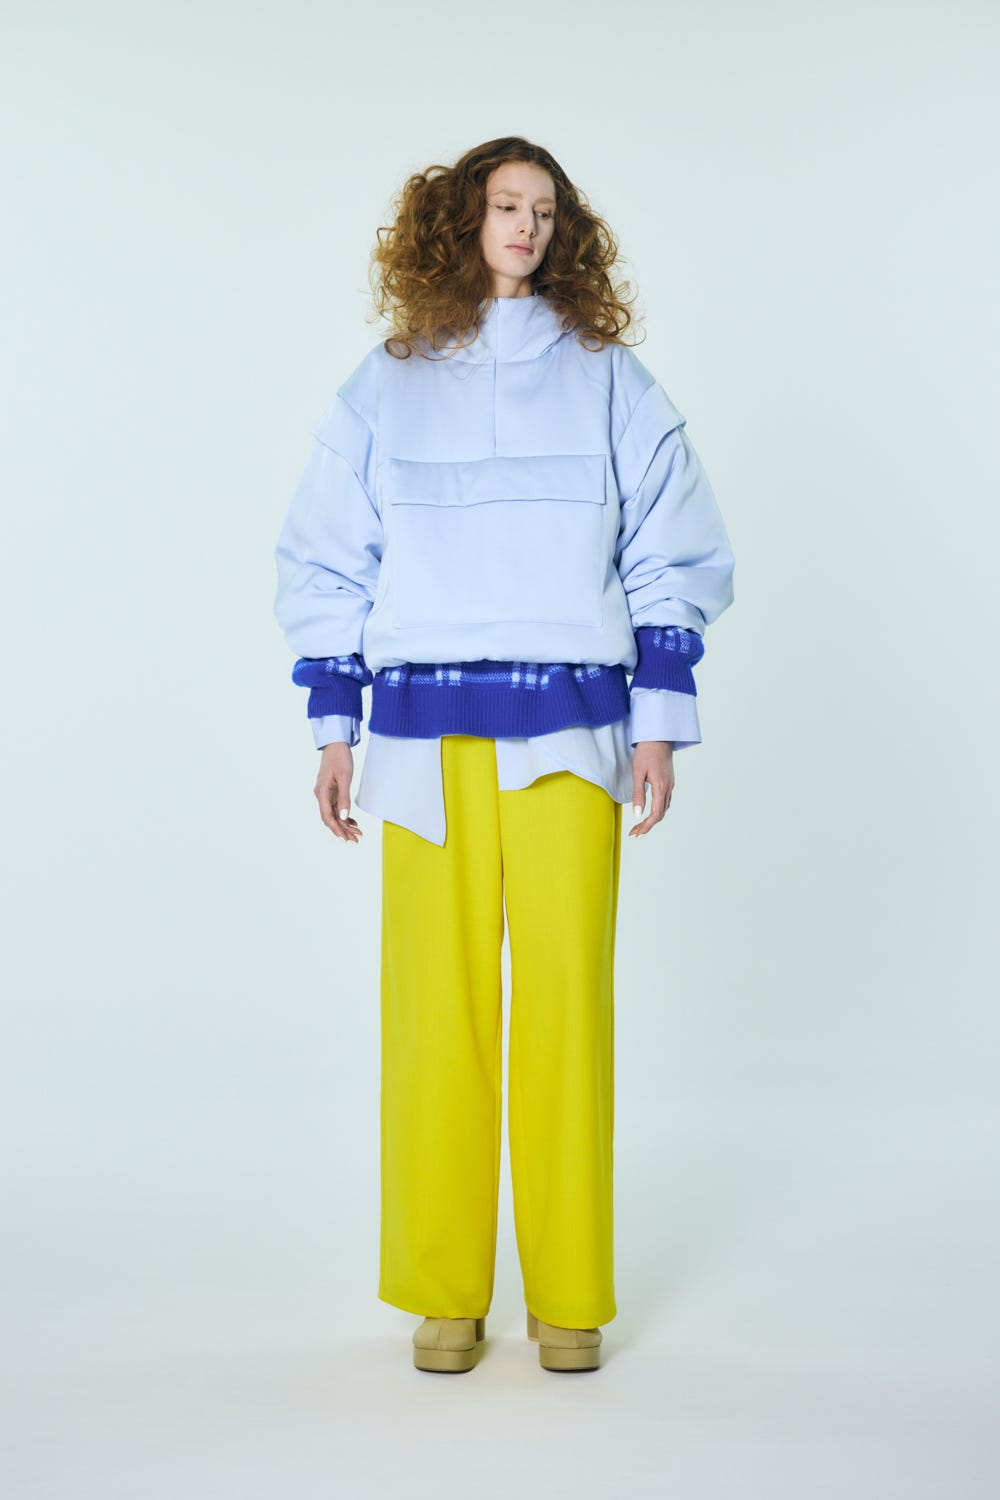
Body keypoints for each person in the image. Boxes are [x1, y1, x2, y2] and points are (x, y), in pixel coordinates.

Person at [272, 136, 736, 1375]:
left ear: (562, 231)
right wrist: (332, 723)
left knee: (565, 1007)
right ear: (459, 222)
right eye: (503, 205)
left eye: (543, 209)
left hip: (571, 726)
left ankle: (569, 1294)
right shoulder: (387, 384)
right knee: (437, 1012)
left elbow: (671, 545)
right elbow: (326, 554)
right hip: (419, 736)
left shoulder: (608, 379)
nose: (525, 226)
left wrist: (659, 714)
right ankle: (446, 1290)